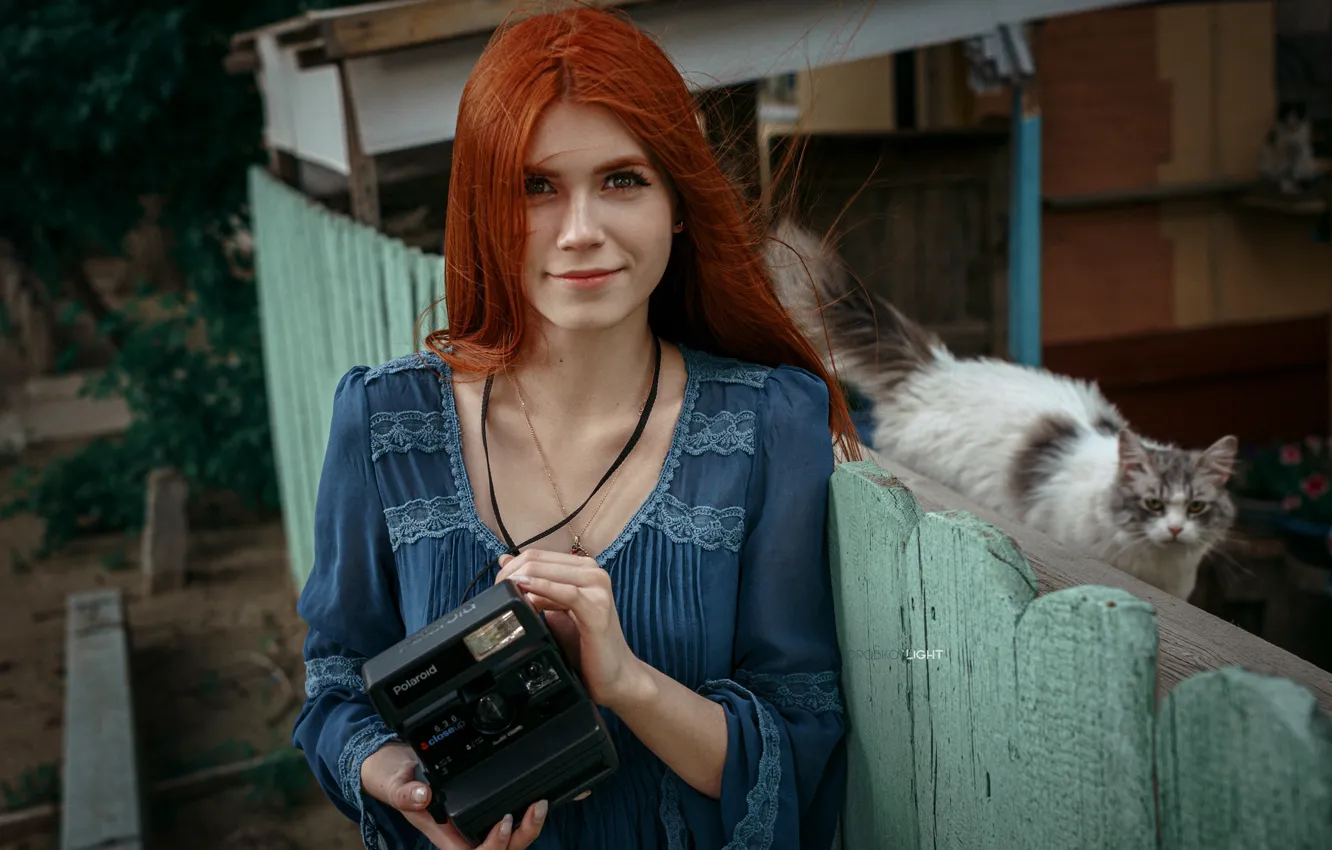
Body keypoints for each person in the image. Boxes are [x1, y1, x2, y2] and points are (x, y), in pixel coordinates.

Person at [291, 6, 861, 849]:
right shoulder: (384, 424)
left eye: (623, 179)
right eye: (536, 186)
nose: (582, 230)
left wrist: (627, 681)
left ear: (676, 202)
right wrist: (410, 789)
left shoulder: (769, 425)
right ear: (484, 206)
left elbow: (800, 735)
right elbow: (337, 683)